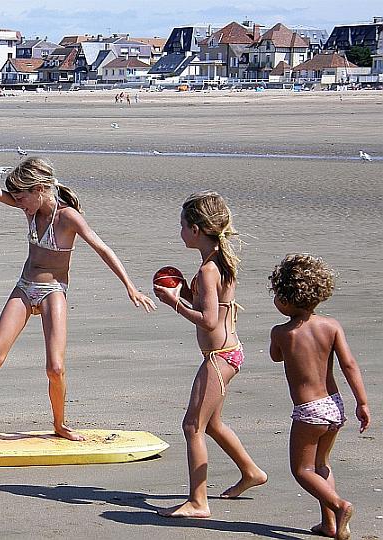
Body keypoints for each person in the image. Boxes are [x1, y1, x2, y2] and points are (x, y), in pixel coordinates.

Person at [0, 157, 156, 443]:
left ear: (39, 189)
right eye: (16, 198)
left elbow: (102, 248)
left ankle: (60, 424)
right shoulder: (30, 208)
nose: (18, 203)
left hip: (53, 291)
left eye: (21, 198)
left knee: (55, 367)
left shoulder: (67, 217)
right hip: (25, 287)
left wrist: (130, 287)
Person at [153, 191, 267, 518]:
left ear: (196, 229)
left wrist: (174, 303)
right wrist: (186, 293)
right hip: (229, 353)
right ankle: (251, 472)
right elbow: (210, 303)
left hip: (220, 356)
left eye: (182, 225)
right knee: (212, 423)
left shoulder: (208, 270)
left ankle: (198, 501)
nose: (180, 231)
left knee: (192, 426)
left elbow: (209, 319)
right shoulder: (216, 262)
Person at [269, 254, 370, 540]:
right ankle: (330, 524)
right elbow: (349, 365)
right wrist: (362, 402)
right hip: (334, 405)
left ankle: (339, 506)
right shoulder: (331, 326)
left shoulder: (282, 333)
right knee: (321, 465)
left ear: (285, 299)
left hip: (309, 410)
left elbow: (276, 357)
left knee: (302, 469)